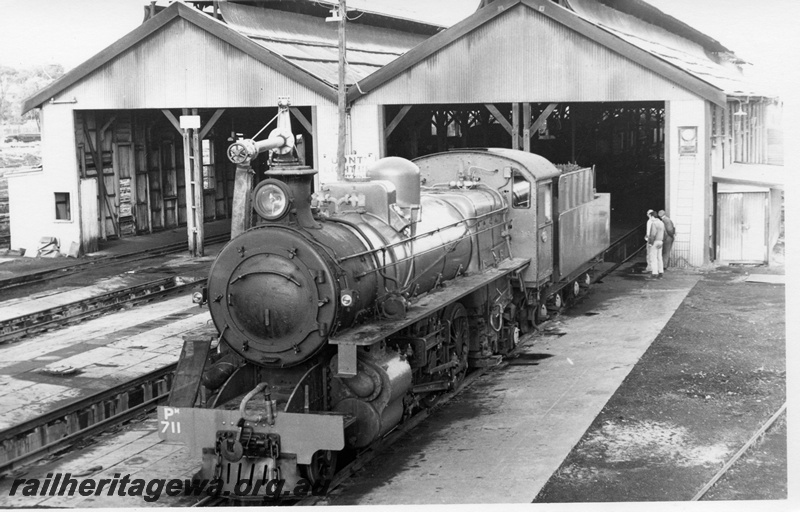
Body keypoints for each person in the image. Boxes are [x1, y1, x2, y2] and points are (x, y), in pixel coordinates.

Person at [647, 210, 665, 278]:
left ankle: (654, 273)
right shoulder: (661, 223)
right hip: (660, 241)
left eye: (650, 216)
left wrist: (650, 243)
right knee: (659, 257)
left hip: (655, 242)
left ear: (652, 216)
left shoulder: (654, 223)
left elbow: (653, 234)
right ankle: (661, 271)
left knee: (653, 257)